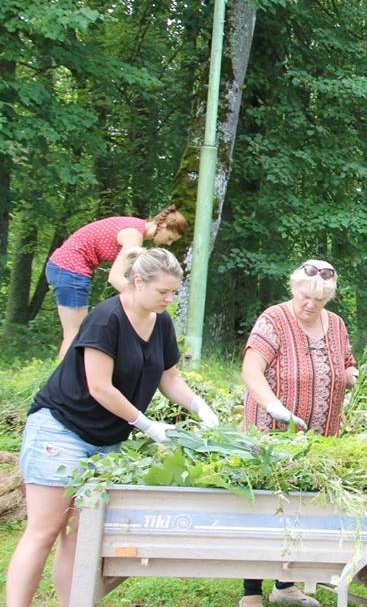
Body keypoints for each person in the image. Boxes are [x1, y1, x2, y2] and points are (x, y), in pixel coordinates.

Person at [5, 247, 220, 607]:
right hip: (61, 429)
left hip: (106, 439)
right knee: (45, 531)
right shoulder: (107, 319)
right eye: (163, 292)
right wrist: (147, 425)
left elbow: (169, 379)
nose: (169, 298)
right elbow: (99, 386)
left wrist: (200, 406)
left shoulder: (161, 321)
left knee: (81, 534)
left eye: (173, 292)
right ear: (138, 282)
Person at [239, 259, 359, 607]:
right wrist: (273, 405)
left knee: (303, 505)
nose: (310, 304)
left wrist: (353, 375)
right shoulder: (273, 320)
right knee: (268, 507)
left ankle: (285, 584)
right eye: (304, 296)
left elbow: (347, 361)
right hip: (272, 431)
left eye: (318, 300)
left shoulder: (335, 324)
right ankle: (250, 591)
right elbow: (250, 370)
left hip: (320, 436)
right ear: (293, 288)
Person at [46, 205, 188, 358]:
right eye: (170, 238)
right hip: (69, 269)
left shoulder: (135, 226)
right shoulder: (134, 237)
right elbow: (115, 277)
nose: (168, 244)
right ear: (164, 226)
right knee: (75, 333)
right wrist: (143, 299)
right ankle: (65, 379)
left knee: (76, 332)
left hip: (63, 268)